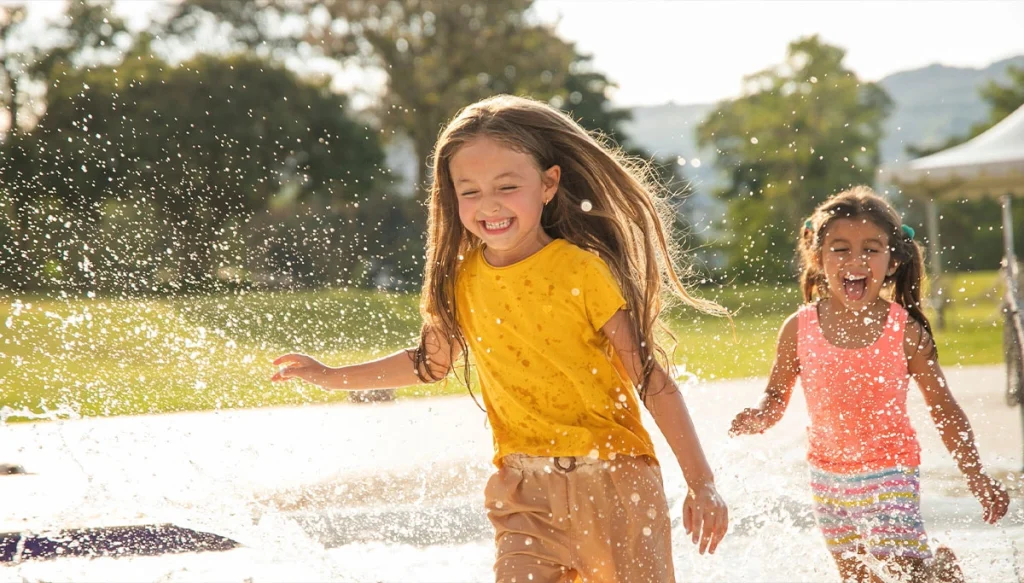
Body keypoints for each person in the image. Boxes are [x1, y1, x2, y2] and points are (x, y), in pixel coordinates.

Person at [272, 94, 728, 582]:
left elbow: (650, 378)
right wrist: (333, 376)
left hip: (613, 483)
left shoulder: (581, 270)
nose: (489, 204)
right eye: (469, 191)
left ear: (548, 184)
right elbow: (431, 363)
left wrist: (701, 483)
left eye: (507, 186)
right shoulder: (459, 278)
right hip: (522, 492)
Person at [729, 186, 1010, 582]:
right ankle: (938, 572)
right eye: (841, 249)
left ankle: (935, 572)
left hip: (890, 469)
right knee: (860, 578)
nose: (856, 260)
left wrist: (976, 475)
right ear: (818, 256)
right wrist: (761, 414)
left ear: (892, 260)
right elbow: (776, 394)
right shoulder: (799, 328)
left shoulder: (904, 331)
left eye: (871, 249)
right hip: (827, 478)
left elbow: (943, 409)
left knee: (904, 573)